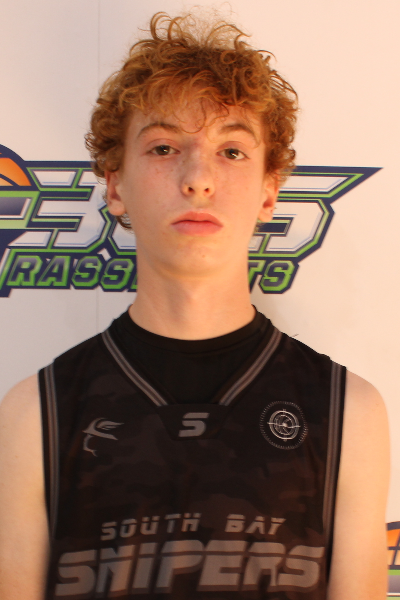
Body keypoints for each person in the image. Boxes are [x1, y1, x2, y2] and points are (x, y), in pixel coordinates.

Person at [0, 12, 390, 600]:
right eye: (163, 147)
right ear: (115, 186)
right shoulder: (37, 414)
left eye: (231, 150)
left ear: (269, 191)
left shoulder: (347, 413)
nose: (198, 178)